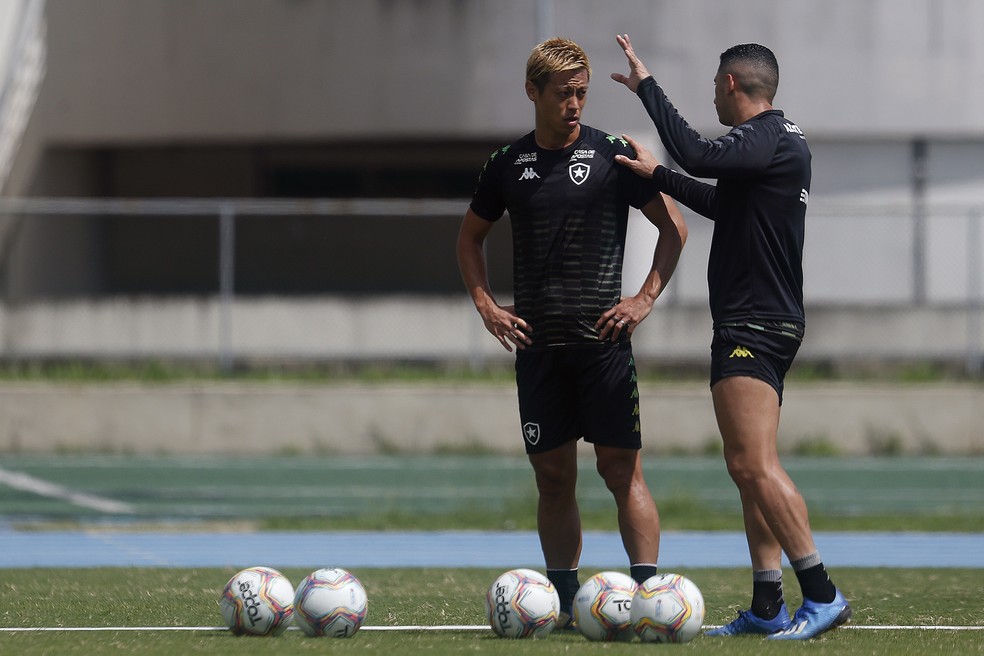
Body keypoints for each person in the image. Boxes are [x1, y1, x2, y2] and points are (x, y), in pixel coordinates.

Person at [610, 35, 851, 640]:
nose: (713, 96)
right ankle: (768, 603)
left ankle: (821, 594)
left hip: (754, 320)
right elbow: (722, 203)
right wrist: (657, 176)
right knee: (747, 468)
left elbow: (694, 150)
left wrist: (646, 89)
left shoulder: (765, 134)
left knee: (752, 463)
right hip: (764, 317)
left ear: (733, 85)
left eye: (717, 86)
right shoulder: (777, 143)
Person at [456, 37, 687, 624]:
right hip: (538, 350)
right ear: (533, 92)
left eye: (581, 92)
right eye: (564, 93)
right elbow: (469, 238)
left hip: (603, 347)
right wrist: (486, 304)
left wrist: (643, 299)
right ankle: (561, 602)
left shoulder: (613, 154)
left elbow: (674, 229)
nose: (575, 104)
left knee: (620, 470)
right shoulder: (506, 164)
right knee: (553, 477)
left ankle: (649, 598)